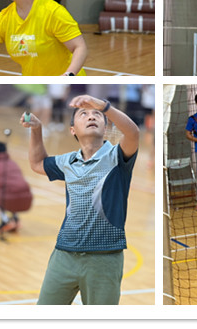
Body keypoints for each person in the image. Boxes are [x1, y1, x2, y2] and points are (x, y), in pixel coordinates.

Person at [20, 94, 140, 305]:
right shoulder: (68, 161)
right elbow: (37, 163)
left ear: (105, 128)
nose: (91, 116)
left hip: (104, 259)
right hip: (64, 255)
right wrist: (36, 129)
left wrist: (104, 106)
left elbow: (132, 133)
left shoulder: (117, 157)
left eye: (97, 114)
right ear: (72, 130)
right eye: (83, 114)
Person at [0, 141, 33, 234]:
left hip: (8, 199)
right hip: (26, 198)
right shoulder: (13, 163)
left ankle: (6, 220)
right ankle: (15, 219)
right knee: (10, 192)